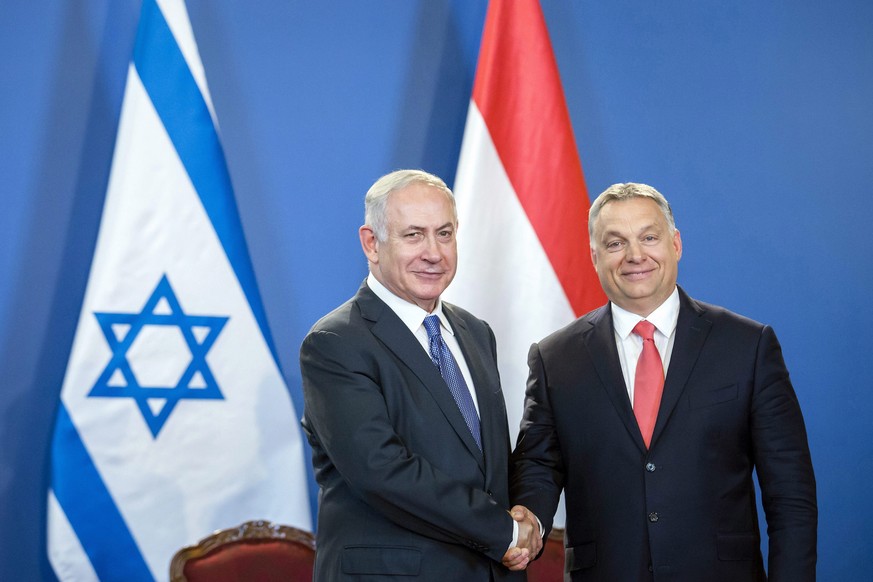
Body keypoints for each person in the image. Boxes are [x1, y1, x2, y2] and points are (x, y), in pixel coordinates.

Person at [510, 183, 817, 581]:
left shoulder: (747, 347)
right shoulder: (555, 358)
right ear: (594, 256)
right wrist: (529, 517)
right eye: (616, 242)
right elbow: (538, 464)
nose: (635, 255)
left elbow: (790, 496)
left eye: (649, 238)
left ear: (675, 244)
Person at [300, 169, 540, 581]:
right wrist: (504, 531)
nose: (434, 252)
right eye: (413, 235)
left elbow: (490, 465)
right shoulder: (335, 342)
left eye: (444, 234)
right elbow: (382, 471)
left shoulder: (476, 333)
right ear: (371, 243)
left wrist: (528, 519)